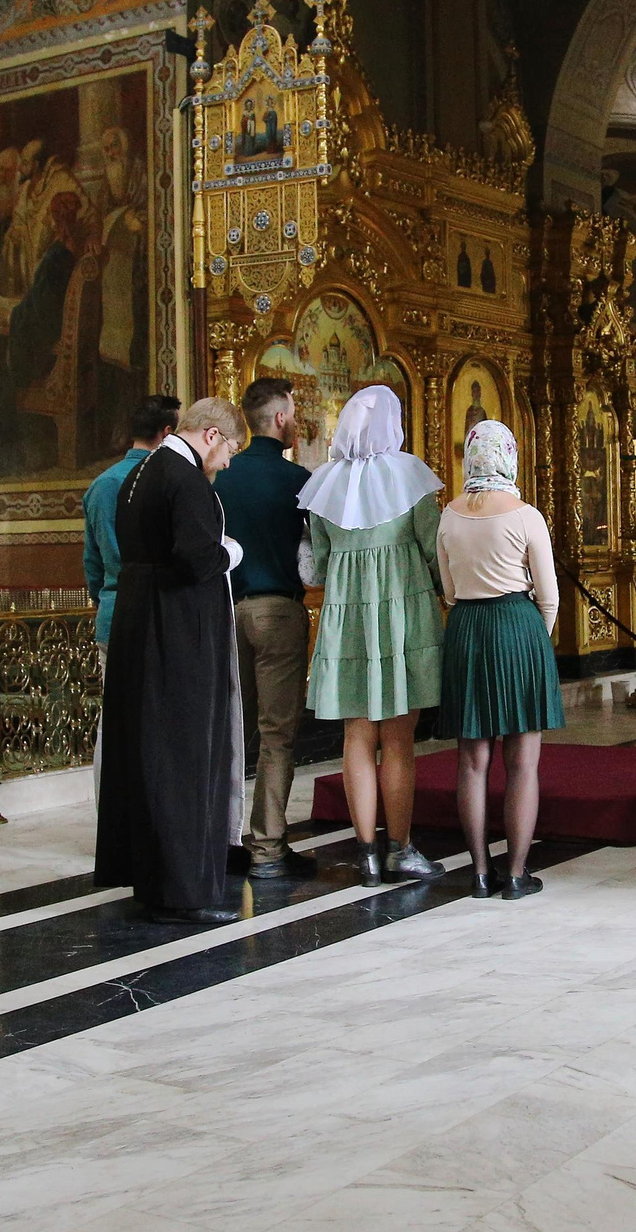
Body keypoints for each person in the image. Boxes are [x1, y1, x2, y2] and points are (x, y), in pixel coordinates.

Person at [96, 397, 248, 925]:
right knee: (185, 752)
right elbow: (195, 559)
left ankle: (156, 879)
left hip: (143, 622)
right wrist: (231, 552)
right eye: (229, 449)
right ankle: (186, 890)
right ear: (210, 434)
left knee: (153, 751)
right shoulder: (184, 479)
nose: (227, 462)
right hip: (178, 630)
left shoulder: (140, 474)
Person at [299, 385, 447, 887]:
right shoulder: (410, 477)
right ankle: (401, 849)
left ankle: (364, 853)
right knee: (399, 740)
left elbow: (316, 566)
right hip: (403, 619)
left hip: (348, 624)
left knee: (356, 738)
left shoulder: (323, 485)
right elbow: (435, 551)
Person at [436, 420, 563, 900]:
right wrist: (533, 641)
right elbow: (548, 597)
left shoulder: (448, 515)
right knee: (523, 763)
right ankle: (515, 873)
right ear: (508, 455)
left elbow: (448, 591)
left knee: (472, 761)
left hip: (467, 630)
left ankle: (480, 873)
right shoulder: (527, 515)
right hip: (518, 626)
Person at [214, 377, 316, 881]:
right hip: (278, 611)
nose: (296, 419)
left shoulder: (221, 477)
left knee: (231, 730)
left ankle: (222, 838)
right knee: (277, 734)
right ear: (280, 418)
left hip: (226, 612)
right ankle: (269, 845)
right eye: (293, 412)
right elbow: (314, 555)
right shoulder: (298, 479)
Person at [83, 394, 177, 649]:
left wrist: (106, 598)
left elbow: (92, 562)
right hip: (158, 617)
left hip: (112, 615)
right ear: (167, 433)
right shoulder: (171, 482)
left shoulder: (100, 485)